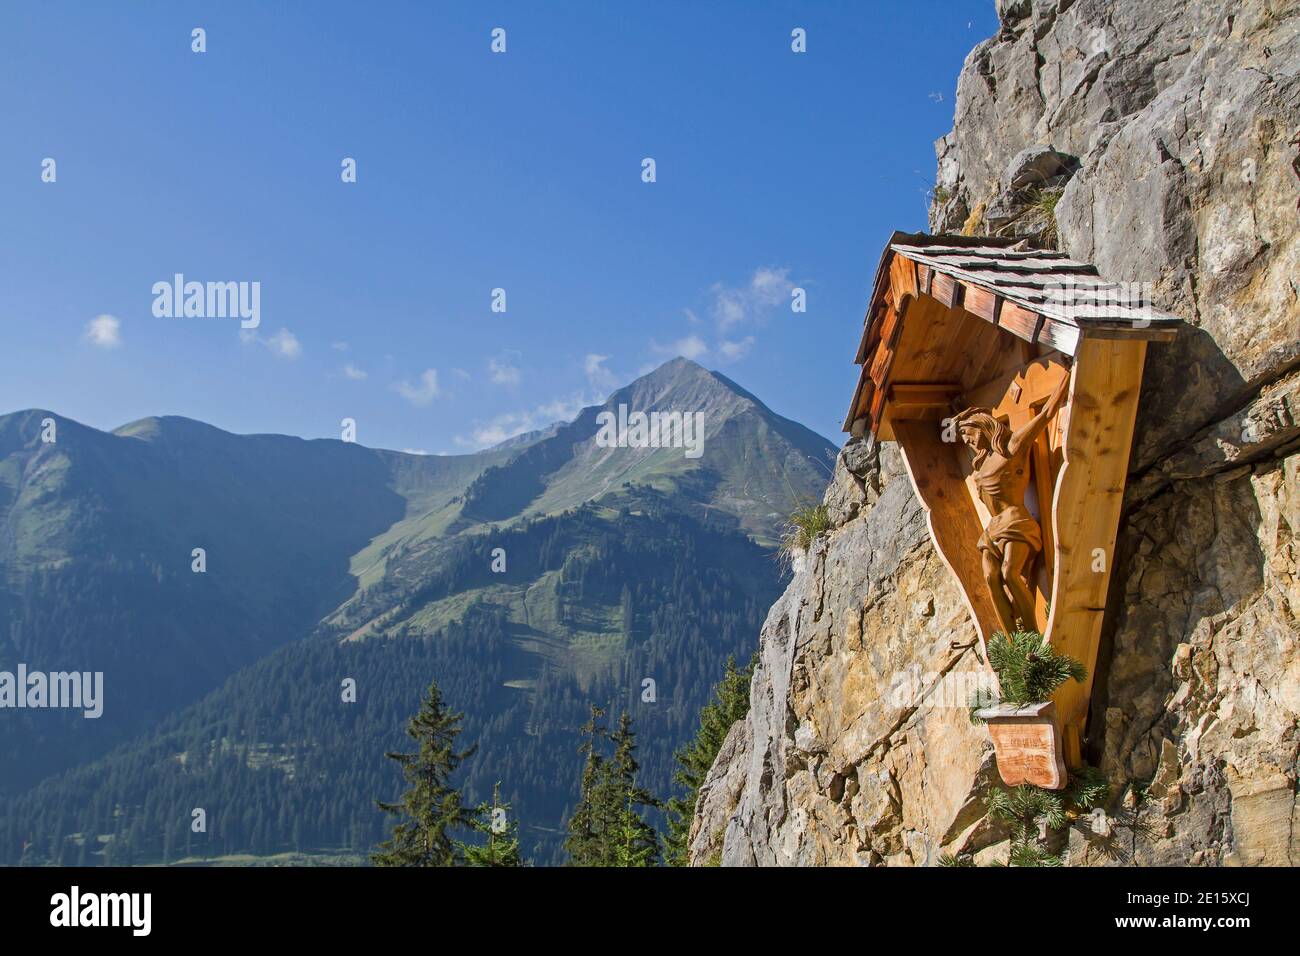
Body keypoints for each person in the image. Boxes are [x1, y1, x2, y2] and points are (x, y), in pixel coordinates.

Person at [953, 367, 1071, 634]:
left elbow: (1046, 414)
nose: (968, 441)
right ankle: (1013, 643)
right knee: (990, 577)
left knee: (1009, 573)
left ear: (983, 426)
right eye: (963, 438)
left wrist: (1069, 374)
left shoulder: (1012, 448)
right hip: (993, 529)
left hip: (1016, 523)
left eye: (969, 434)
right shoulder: (980, 464)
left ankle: (1032, 636)